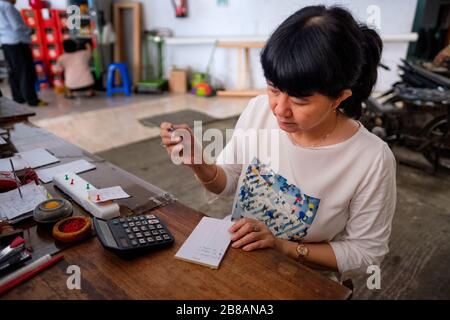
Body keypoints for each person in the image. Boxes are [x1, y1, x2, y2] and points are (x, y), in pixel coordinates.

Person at [160, 5, 396, 282]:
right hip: (235, 255)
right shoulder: (259, 109)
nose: (279, 109)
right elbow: (228, 183)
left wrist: (283, 247)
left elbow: (366, 254)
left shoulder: (371, 159)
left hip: (300, 279)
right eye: (273, 88)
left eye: (299, 100)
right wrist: (198, 162)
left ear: (339, 98)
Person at [0, 0, 46, 106]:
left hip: (6, 43)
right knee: (25, 72)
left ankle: (18, 99)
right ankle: (32, 100)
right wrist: (30, 30)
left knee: (13, 72)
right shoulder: (7, 7)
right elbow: (17, 26)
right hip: (17, 42)